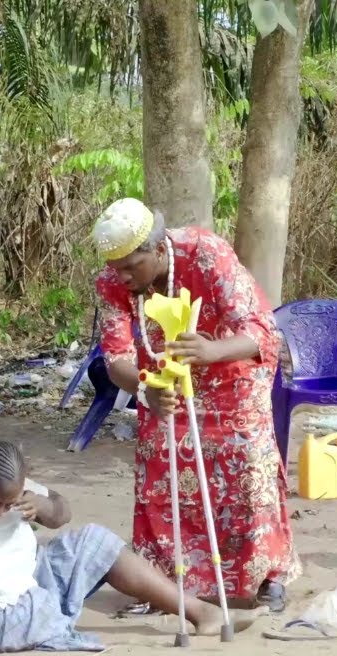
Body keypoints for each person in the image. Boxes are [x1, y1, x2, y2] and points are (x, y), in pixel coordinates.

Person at [92, 197, 300, 613]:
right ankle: (163, 583)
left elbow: (261, 330)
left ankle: (266, 576)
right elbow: (116, 359)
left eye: (132, 266)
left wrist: (211, 351)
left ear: (157, 248)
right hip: (163, 381)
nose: (123, 276)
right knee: (160, 469)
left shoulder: (205, 253)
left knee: (247, 466)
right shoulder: (113, 281)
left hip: (232, 377)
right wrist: (146, 390)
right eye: (116, 267)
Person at [0, 441, 261, 655]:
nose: (2, 511)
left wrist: (43, 506)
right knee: (36, 615)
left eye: (10, 502)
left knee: (95, 542)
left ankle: (200, 612)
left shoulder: (15, 490)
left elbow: (62, 513)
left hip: (26, 579)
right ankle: (52, 621)